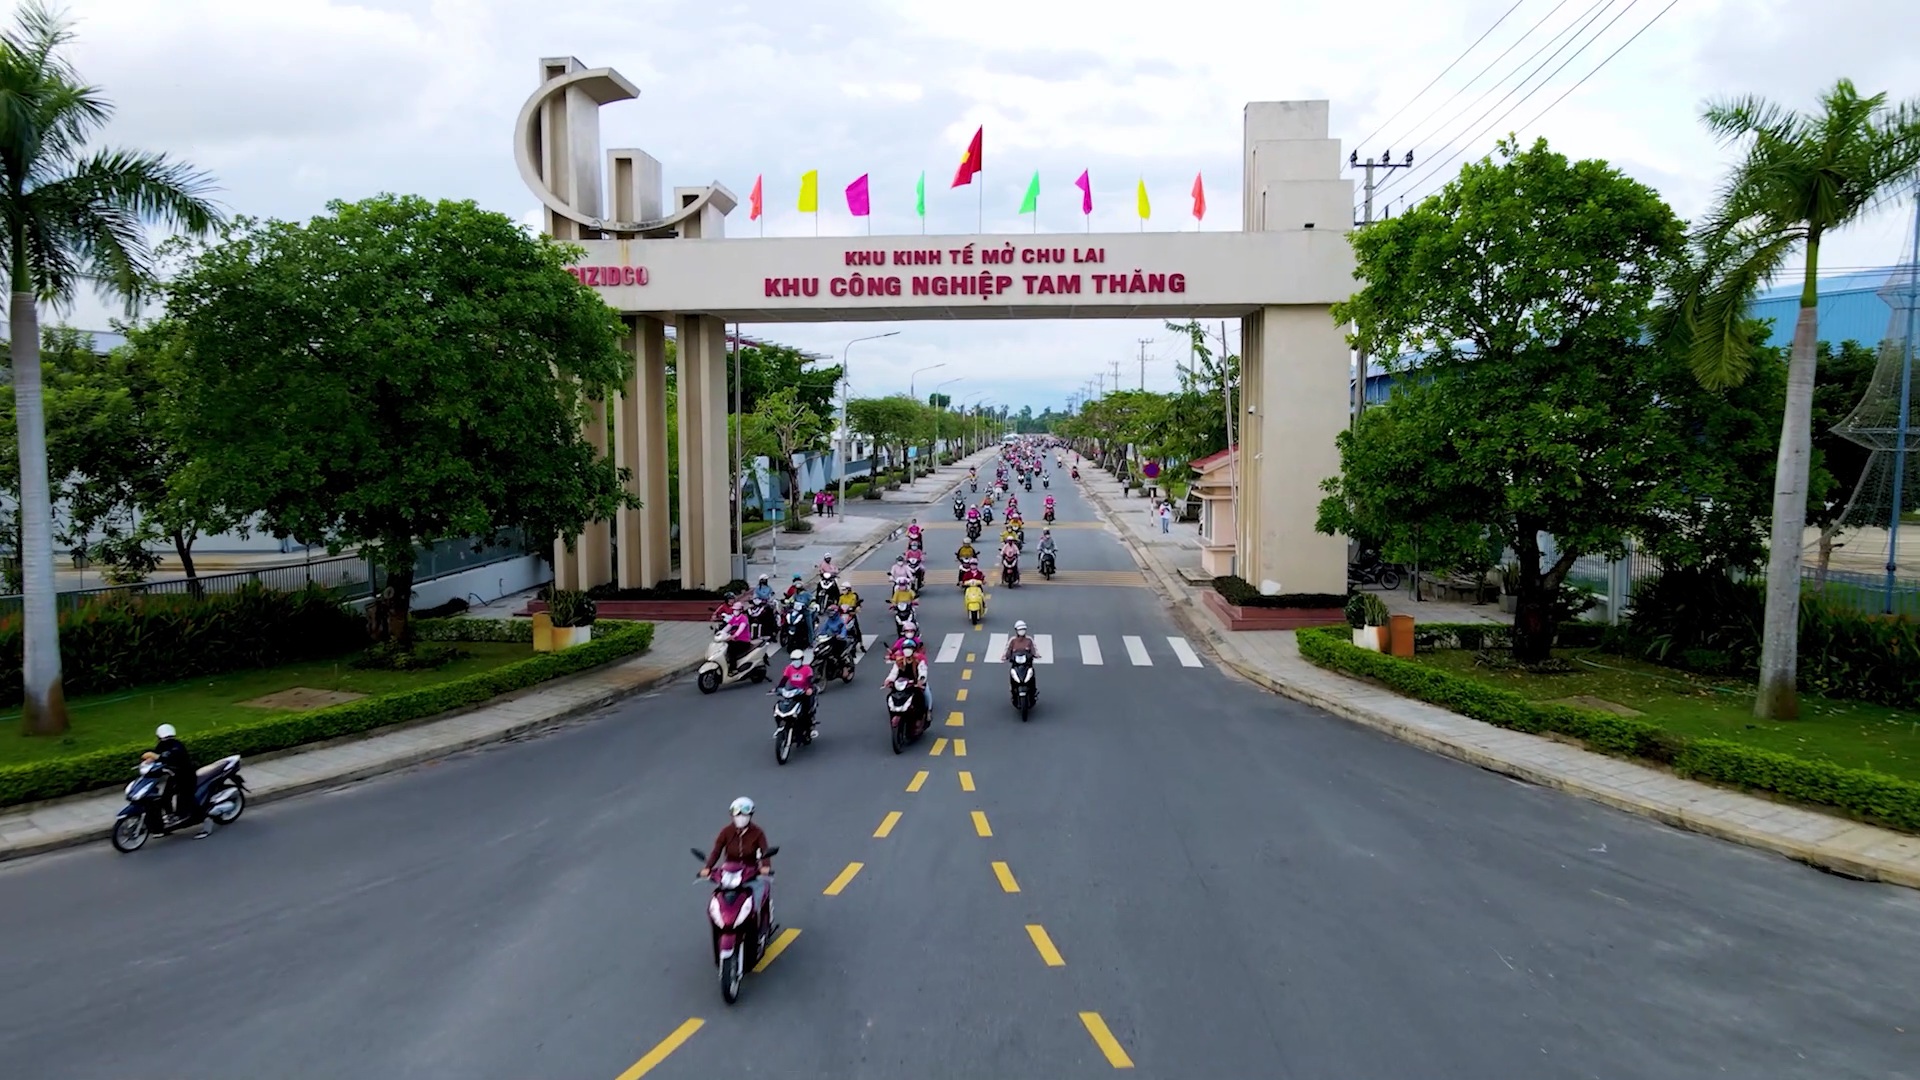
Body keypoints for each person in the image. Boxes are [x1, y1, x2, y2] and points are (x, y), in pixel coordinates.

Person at [701, 797, 775, 934]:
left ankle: (764, 925)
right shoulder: (726, 832)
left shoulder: (758, 833)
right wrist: (708, 868)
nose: (741, 817)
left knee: (761, 893)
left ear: (751, 814)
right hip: (729, 872)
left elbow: (765, 852)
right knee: (720, 898)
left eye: (745, 813)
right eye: (737, 813)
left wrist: (765, 867)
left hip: (751, 872)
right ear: (732, 815)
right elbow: (716, 851)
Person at [143, 723, 208, 836]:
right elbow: (157, 756)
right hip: (174, 775)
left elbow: (167, 756)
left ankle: (204, 820)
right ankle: (171, 818)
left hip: (186, 775)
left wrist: (155, 756)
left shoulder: (177, 746)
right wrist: (150, 760)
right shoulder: (162, 745)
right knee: (165, 797)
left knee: (186, 798)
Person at [776, 648, 818, 733]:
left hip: (804, 692)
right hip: (793, 691)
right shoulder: (789, 668)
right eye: (793, 660)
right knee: (781, 708)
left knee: (805, 711)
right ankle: (780, 726)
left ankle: (809, 728)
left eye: (797, 659)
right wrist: (778, 688)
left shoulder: (807, 669)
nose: (795, 661)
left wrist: (809, 689)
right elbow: (784, 680)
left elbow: (809, 681)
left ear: (802, 659)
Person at [723, 601, 756, 672]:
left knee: (731, 650)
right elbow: (727, 627)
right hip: (734, 640)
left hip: (743, 641)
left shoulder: (744, 619)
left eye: (737, 610)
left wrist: (734, 636)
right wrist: (721, 633)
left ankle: (733, 669)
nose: (735, 611)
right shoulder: (734, 618)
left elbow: (741, 629)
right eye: (734, 610)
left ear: (741, 610)